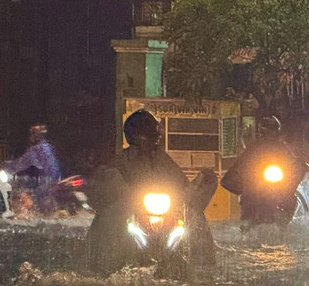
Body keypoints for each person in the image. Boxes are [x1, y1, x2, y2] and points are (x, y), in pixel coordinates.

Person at [85, 109, 217, 274]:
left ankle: (204, 264)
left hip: (164, 215)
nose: (147, 144)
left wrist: (198, 190)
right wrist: (117, 192)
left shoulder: (163, 160)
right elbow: (105, 185)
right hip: (130, 213)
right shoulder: (120, 161)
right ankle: (103, 265)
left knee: (194, 218)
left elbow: (181, 184)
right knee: (109, 220)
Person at [221, 115, 304, 225]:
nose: (269, 133)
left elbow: (293, 164)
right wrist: (238, 176)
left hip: (277, 184)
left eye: (272, 130)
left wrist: (300, 167)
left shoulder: (282, 148)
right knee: (246, 197)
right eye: (267, 130)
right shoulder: (254, 148)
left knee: (290, 199)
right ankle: (247, 226)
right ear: (262, 131)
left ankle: (283, 226)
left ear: (276, 132)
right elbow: (241, 162)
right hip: (255, 184)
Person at [2, 124, 62, 213]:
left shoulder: (35, 150)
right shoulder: (49, 147)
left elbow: (20, 164)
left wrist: (4, 165)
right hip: (57, 179)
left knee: (20, 186)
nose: (29, 137)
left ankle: (27, 211)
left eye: (31, 135)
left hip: (45, 181)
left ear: (36, 136)